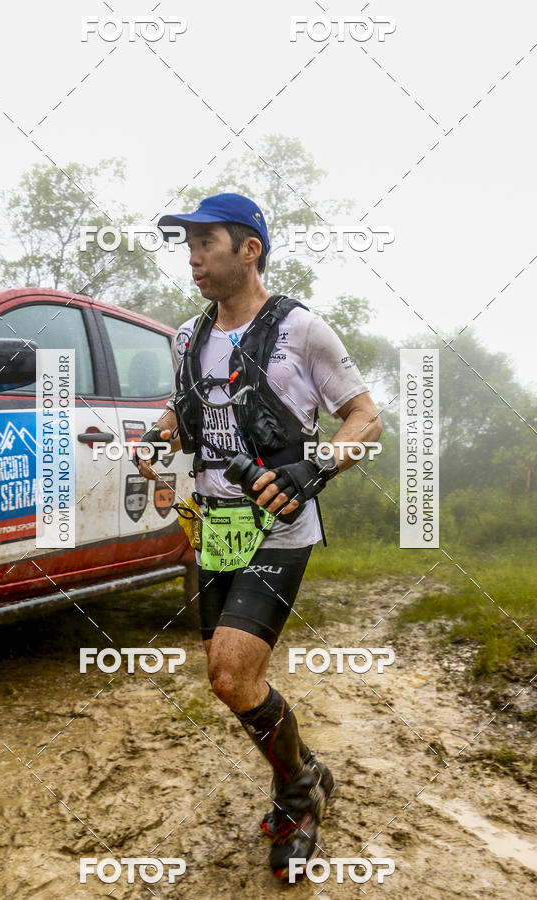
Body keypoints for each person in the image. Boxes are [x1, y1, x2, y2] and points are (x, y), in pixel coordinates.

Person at [136, 193, 382, 881]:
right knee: (233, 683)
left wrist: (315, 465)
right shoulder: (186, 337)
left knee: (229, 671)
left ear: (250, 249)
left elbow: (366, 419)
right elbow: (182, 416)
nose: (192, 258)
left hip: (277, 528)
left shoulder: (302, 330)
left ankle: (298, 798)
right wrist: (156, 438)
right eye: (186, 245)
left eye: (205, 242)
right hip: (215, 527)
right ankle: (306, 771)